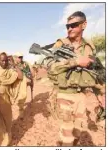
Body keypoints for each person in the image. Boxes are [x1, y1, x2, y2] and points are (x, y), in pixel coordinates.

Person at [45, 11, 105, 146]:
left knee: (78, 132)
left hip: (81, 95)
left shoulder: (90, 47)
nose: (70, 28)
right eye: (67, 26)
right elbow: (49, 66)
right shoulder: (61, 44)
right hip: (63, 93)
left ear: (84, 25)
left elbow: (95, 73)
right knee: (67, 133)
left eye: (74, 25)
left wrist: (100, 94)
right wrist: (75, 62)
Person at [14, 52, 34, 118]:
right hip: (15, 82)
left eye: (21, 57)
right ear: (16, 57)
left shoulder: (25, 64)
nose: (20, 58)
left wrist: (30, 79)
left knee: (22, 96)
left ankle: (21, 111)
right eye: (19, 57)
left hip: (23, 81)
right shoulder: (13, 64)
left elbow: (30, 73)